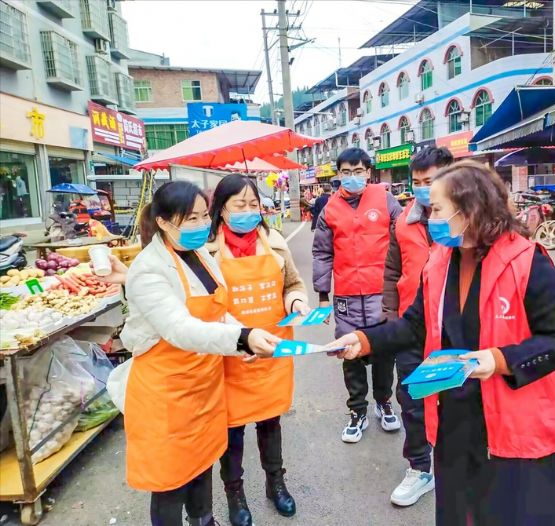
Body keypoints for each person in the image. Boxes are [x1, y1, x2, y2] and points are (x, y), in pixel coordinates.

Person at [326, 161, 555, 526]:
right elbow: (415, 325)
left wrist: (498, 360)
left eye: (438, 209)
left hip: (513, 422)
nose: (431, 217)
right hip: (453, 416)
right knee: (459, 512)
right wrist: (364, 340)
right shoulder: (440, 261)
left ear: (470, 209)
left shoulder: (528, 263)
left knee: (514, 514)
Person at [118, 181, 280, 526]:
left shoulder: (200, 255)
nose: (201, 224)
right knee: (171, 480)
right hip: (167, 393)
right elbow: (180, 329)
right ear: (163, 222)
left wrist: (242, 339)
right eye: (190, 218)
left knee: (202, 461)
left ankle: (204, 520)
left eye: (204, 216)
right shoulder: (149, 270)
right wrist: (242, 338)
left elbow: (219, 312)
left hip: (204, 384)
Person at [208, 175, 309, 526]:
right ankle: (234, 493)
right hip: (229, 354)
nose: (249, 211)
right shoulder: (205, 253)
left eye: (254, 205)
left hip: (273, 350)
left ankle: (275, 483)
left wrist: (295, 300)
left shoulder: (275, 243)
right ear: (221, 209)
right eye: (240, 205)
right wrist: (239, 339)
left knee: (270, 420)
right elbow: (204, 309)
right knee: (231, 429)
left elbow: (293, 283)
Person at [312, 147, 403, 443]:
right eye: (346, 172)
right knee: (349, 353)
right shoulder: (330, 208)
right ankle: (357, 411)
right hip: (347, 295)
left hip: (382, 292)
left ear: (368, 172)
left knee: (383, 351)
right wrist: (323, 296)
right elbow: (322, 252)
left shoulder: (386, 199)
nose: (353, 177)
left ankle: (384, 402)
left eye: (358, 171)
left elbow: (403, 238)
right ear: (339, 175)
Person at [382, 146, 453, 507]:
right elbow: (393, 270)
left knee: (454, 398)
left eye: (432, 180)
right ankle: (420, 467)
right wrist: (391, 315)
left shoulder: (466, 219)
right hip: (412, 325)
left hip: (453, 327)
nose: (424, 188)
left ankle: (455, 462)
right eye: (419, 182)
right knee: (410, 397)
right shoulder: (403, 221)